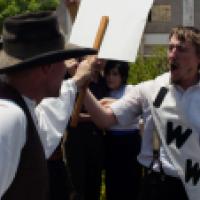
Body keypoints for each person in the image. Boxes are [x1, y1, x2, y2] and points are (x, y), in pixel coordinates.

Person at [84, 26, 200, 200]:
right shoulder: (149, 89)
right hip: (158, 186)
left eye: (181, 49)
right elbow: (105, 119)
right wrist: (81, 85)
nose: (172, 54)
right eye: (170, 48)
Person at [0, 11, 97, 200]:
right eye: (63, 60)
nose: (66, 68)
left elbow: (44, 129)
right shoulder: (9, 116)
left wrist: (75, 82)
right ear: (46, 67)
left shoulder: (20, 108)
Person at [65, 57, 108, 200]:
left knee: (94, 185)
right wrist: (98, 115)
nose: (100, 62)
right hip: (77, 140)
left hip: (97, 141)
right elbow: (71, 117)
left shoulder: (105, 82)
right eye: (98, 57)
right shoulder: (72, 77)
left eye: (104, 59)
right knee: (77, 186)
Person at [103, 60, 142, 200]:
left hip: (130, 142)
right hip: (111, 141)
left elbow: (136, 107)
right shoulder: (104, 91)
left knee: (130, 183)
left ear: (123, 76)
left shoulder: (130, 90)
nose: (110, 77)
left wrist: (108, 104)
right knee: (113, 183)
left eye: (115, 74)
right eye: (107, 74)